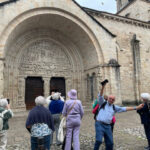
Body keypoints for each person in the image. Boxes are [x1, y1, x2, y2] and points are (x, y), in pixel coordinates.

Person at [94, 81, 144, 150]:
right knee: (99, 140)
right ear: (108, 99)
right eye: (110, 98)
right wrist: (103, 86)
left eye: (113, 99)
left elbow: (124, 108)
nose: (111, 100)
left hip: (108, 126)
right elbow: (100, 95)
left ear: (114, 101)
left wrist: (136, 108)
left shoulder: (114, 107)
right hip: (99, 124)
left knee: (110, 143)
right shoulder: (102, 103)